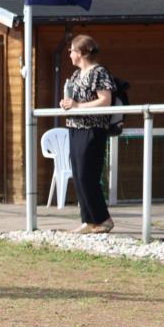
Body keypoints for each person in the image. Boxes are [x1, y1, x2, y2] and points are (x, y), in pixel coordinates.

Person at [60, 34, 116, 234]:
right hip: (75, 127)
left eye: (72, 50)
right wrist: (67, 104)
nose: (69, 54)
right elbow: (74, 101)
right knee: (78, 174)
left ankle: (103, 219)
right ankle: (88, 220)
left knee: (87, 175)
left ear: (81, 53)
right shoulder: (76, 75)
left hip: (93, 129)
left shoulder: (99, 72)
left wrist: (78, 106)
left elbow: (105, 100)